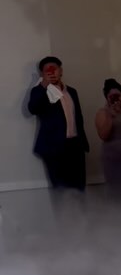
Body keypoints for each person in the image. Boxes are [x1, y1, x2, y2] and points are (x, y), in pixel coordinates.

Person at [28, 56, 89, 192]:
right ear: (42, 74)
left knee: (79, 187)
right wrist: (43, 86)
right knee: (61, 190)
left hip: (75, 147)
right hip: (53, 147)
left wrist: (82, 143)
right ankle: (63, 214)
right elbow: (32, 109)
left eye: (54, 69)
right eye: (47, 71)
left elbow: (78, 118)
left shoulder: (72, 92)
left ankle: (83, 214)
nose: (52, 73)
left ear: (61, 71)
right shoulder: (39, 91)